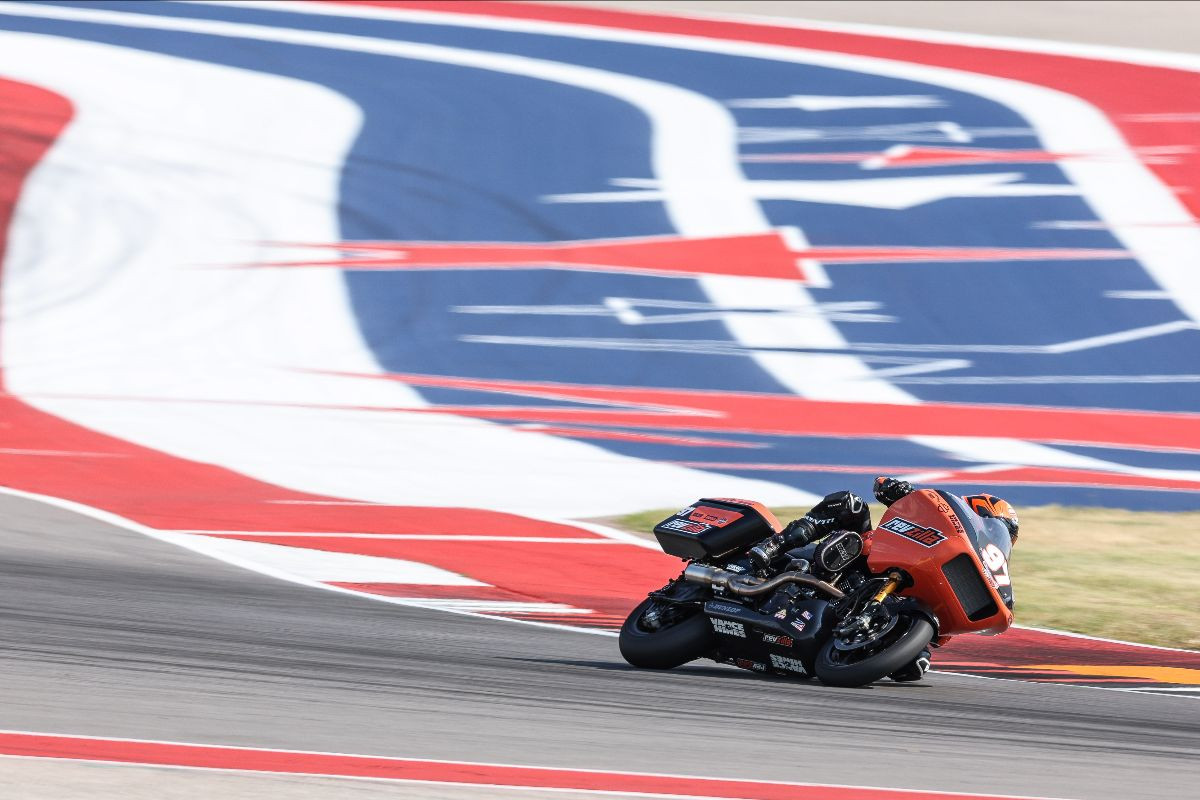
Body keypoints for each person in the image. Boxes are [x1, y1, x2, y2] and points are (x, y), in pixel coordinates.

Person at [779, 476, 1020, 682]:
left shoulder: (981, 571)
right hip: (864, 556)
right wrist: (899, 491)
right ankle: (774, 545)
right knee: (850, 504)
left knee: (915, 665)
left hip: (880, 606)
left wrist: (910, 648)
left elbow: (939, 635)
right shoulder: (935, 515)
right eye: (991, 524)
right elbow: (881, 485)